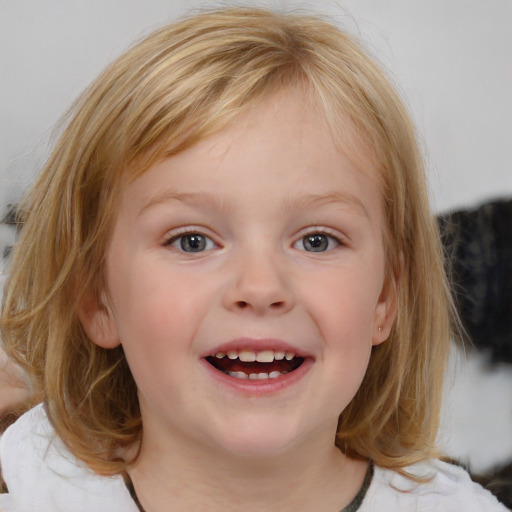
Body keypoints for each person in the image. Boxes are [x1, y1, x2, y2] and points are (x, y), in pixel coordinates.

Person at [0, 6, 508, 512]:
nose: (261, 287)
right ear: (97, 299)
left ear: (385, 297)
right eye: (192, 241)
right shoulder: (34, 492)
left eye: (317, 241)